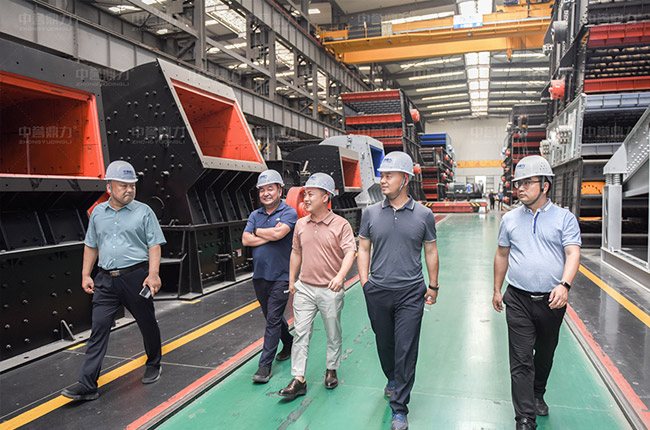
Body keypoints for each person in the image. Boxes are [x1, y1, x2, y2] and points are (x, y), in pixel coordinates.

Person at [61, 160, 166, 401]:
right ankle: (87, 384)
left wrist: (153, 274)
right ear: (109, 187)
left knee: (147, 323)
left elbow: (154, 245)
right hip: (105, 281)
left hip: (135, 278)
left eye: (132, 186)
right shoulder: (98, 213)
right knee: (98, 329)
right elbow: (91, 245)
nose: (129, 190)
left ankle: (153, 363)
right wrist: (86, 274)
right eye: (123, 185)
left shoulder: (144, 212)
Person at [492, 155, 581, 430]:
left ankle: (538, 392)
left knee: (544, 353)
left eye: (527, 182)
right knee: (520, 360)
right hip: (517, 298)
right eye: (518, 183)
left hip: (551, 302)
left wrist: (564, 285)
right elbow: (502, 254)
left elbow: (572, 253)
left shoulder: (564, 218)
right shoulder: (509, 219)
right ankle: (524, 419)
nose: (520, 188)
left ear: (545, 185)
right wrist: (496, 289)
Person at [357, 151, 439, 430]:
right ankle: (391, 378)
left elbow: (431, 251)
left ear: (405, 179)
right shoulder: (370, 213)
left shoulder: (424, 215)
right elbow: (363, 248)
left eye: (388, 176)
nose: (382, 180)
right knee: (385, 344)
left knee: (406, 349)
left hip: (410, 293)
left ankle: (399, 408)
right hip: (378, 291)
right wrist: (365, 283)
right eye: (381, 175)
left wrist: (433, 285)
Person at [278, 173, 356, 399]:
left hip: (330, 289)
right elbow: (296, 252)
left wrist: (340, 276)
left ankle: (331, 369)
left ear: (325, 197)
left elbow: (350, 252)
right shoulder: (301, 224)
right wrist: (292, 279)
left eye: (311, 194)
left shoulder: (341, 225)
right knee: (301, 333)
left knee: (333, 332)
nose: (305, 198)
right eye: (305, 194)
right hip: (305, 288)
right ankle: (298, 379)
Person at [242, 169, 297, 383]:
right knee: (271, 317)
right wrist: (268, 234)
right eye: (262, 190)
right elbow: (245, 240)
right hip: (260, 275)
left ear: (279, 190)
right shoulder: (255, 215)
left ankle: (264, 366)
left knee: (272, 320)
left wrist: (257, 232)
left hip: (282, 275)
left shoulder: (289, 212)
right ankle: (288, 341)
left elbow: (279, 233)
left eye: (270, 189)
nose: (265, 193)